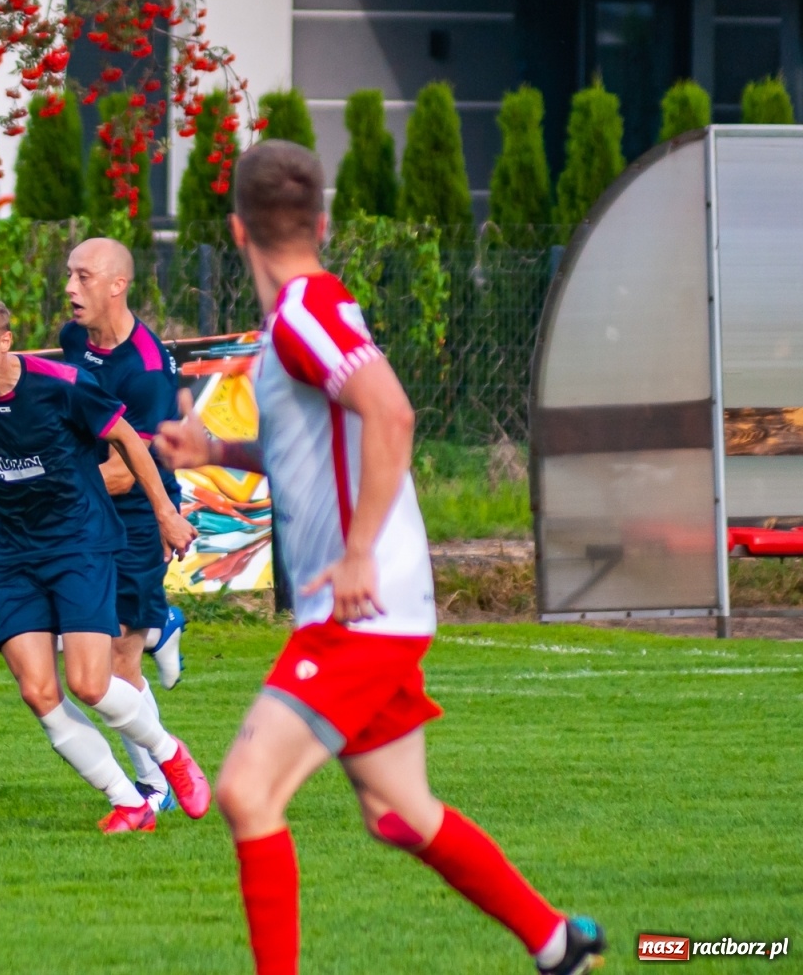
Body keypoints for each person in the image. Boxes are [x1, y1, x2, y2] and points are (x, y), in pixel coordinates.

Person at [154, 143, 605, 974]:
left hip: (360, 607)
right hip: (377, 604)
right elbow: (318, 442)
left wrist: (358, 554)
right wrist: (214, 444)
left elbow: (391, 415)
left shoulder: (302, 313)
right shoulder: (302, 316)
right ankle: (557, 944)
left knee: (247, 793)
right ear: (321, 223)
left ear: (233, 230)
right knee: (400, 810)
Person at [0, 293, 207, 833]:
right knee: (38, 691)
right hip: (6, 553)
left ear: (4, 341)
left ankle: (170, 753)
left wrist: (165, 512)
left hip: (78, 543)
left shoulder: (60, 385)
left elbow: (130, 441)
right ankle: (127, 801)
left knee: (91, 683)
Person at [59, 237, 187, 815]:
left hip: (135, 518)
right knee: (79, 649)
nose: (69, 288)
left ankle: (155, 785)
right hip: (88, 516)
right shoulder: (72, 342)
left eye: (83, 277)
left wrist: (43, 482)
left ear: (118, 285)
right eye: (68, 275)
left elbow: (127, 472)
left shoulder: (147, 372)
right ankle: (163, 624)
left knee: (115, 663)